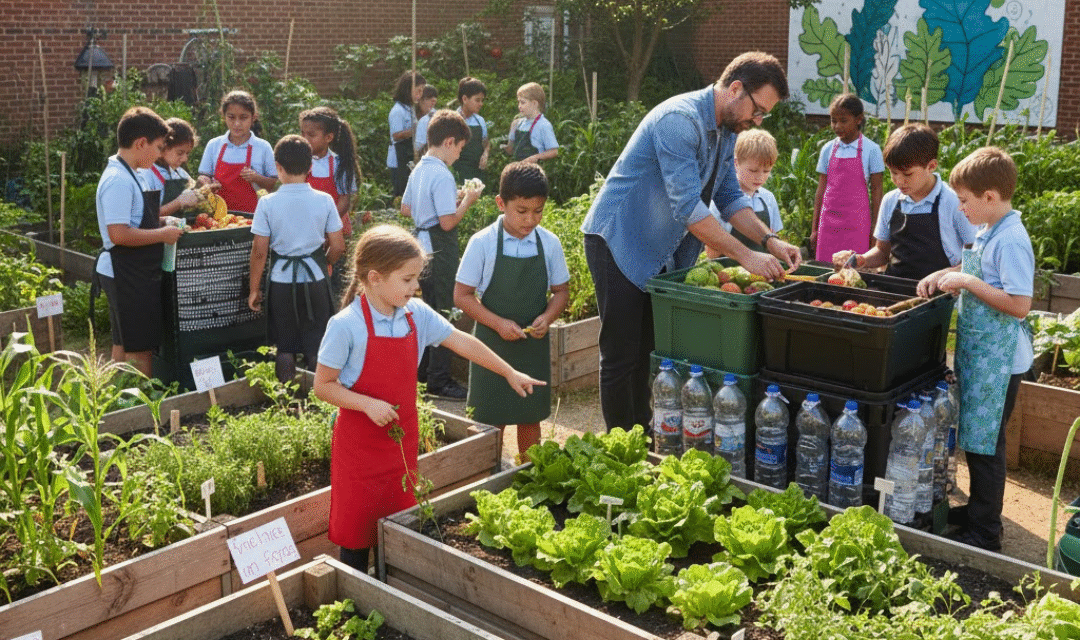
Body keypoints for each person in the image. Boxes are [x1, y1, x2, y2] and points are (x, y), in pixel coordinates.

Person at [580, 50, 801, 432]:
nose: (757, 121)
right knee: (620, 355)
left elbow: (730, 198)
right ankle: (621, 448)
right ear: (735, 89)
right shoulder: (679, 122)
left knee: (648, 352)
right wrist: (746, 256)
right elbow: (688, 208)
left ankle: (641, 434)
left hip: (658, 249)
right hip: (618, 241)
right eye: (758, 110)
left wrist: (770, 241)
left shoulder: (727, 130)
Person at [313, 224, 544, 573]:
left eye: (416, 278)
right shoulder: (346, 325)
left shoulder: (415, 315)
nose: (416, 287)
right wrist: (367, 404)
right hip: (359, 447)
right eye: (407, 280)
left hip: (401, 440)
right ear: (374, 278)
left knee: (400, 523)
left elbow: (461, 341)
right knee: (357, 533)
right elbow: (323, 385)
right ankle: (357, 597)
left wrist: (508, 372)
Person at [917, 146, 1033, 552]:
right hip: (982, 355)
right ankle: (979, 512)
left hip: (1000, 362)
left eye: (964, 201)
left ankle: (986, 533)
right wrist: (945, 273)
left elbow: (1019, 304)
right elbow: (975, 271)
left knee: (987, 446)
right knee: (977, 440)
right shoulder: (990, 230)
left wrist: (966, 283)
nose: (960, 209)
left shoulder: (1012, 239)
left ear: (989, 198)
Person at [454, 162, 569, 460]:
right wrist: (498, 323)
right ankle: (485, 473)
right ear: (501, 203)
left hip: (532, 344)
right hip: (491, 343)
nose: (530, 219)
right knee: (489, 416)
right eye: (521, 211)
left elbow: (561, 292)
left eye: (538, 211)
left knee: (529, 415)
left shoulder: (550, 244)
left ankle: (529, 473)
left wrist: (548, 316)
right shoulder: (482, 243)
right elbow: (462, 296)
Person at [92, 106, 184, 375]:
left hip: (132, 270)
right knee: (140, 350)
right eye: (157, 147)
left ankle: (120, 404)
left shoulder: (133, 173)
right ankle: (141, 409)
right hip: (125, 272)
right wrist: (162, 235)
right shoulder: (118, 180)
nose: (159, 154)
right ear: (140, 143)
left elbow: (135, 219)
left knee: (123, 342)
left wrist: (160, 222)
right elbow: (118, 234)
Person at [248, 135, 345, 383]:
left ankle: (287, 403)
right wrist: (326, 263)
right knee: (316, 345)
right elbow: (338, 245)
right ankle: (321, 399)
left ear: (278, 167)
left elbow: (259, 251)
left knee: (285, 345)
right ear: (310, 167)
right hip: (315, 279)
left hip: (281, 281)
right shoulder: (324, 200)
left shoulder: (268, 203)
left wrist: (254, 289)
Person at [402, 110, 482, 399]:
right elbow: (448, 222)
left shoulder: (420, 168)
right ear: (450, 142)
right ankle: (440, 379)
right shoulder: (443, 174)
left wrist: (451, 201)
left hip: (419, 242)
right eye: (460, 148)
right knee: (444, 311)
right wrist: (468, 200)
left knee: (425, 308)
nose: (459, 155)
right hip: (439, 246)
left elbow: (406, 208)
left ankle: (423, 372)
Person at [832, 124, 976, 280]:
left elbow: (975, 257)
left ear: (931, 166)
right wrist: (860, 260)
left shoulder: (954, 201)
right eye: (893, 173)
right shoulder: (891, 201)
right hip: (895, 287)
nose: (899, 181)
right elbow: (882, 252)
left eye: (907, 174)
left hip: (940, 292)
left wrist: (951, 275)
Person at [811, 93, 884, 262]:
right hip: (828, 224)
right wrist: (815, 228)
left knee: (854, 271)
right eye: (833, 120)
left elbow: (877, 192)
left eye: (843, 121)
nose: (837, 126)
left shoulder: (871, 150)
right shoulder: (828, 149)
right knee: (826, 272)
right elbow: (820, 190)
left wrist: (876, 231)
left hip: (857, 225)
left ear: (858, 119)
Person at [197, 90, 277, 214]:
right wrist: (205, 182)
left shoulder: (263, 147)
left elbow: (272, 185)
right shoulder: (214, 145)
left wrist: (256, 178)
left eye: (243, 117)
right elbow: (203, 179)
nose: (237, 123)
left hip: (253, 218)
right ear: (224, 116)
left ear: (253, 117)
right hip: (218, 219)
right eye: (231, 117)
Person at [706, 128, 782, 255]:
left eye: (766, 171)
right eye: (753, 170)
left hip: (763, 271)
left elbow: (773, 240)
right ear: (735, 163)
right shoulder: (721, 200)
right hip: (729, 271)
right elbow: (712, 250)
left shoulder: (768, 198)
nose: (760, 177)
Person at [300, 106, 360, 237]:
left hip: (335, 227)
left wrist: (327, 224)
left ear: (328, 137)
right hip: (306, 227)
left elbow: (344, 200)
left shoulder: (340, 164)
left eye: (311, 135)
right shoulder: (299, 162)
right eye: (302, 133)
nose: (305, 139)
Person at [139, 117, 202, 218]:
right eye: (180, 153)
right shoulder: (147, 175)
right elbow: (148, 216)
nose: (185, 159)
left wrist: (202, 187)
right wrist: (179, 202)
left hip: (181, 228)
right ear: (163, 147)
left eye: (187, 153)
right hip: (158, 232)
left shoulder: (179, 173)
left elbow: (194, 195)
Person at [387, 71, 426, 196]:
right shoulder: (397, 111)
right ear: (407, 89)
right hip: (399, 159)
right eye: (417, 90)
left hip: (409, 156)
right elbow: (396, 135)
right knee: (402, 193)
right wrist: (416, 130)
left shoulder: (410, 108)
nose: (420, 95)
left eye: (422, 91)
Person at [504, 82, 558, 164]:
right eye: (518, 102)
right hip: (518, 169)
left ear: (534, 104)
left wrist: (535, 157)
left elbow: (554, 152)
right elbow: (510, 151)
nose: (519, 106)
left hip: (534, 172)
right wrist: (505, 144)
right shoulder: (518, 124)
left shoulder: (543, 125)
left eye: (523, 102)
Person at [452, 77, 490, 182]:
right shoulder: (452, 120)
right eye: (477, 100)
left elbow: (486, 142)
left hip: (477, 173)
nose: (481, 104)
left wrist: (485, 154)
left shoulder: (480, 120)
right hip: (457, 173)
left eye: (482, 100)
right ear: (464, 99)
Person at [413, 85, 439, 160]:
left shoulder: (427, 119)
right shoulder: (411, 115)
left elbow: (418, 146)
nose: (432, 102)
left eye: (434, 99)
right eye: (428, 99)